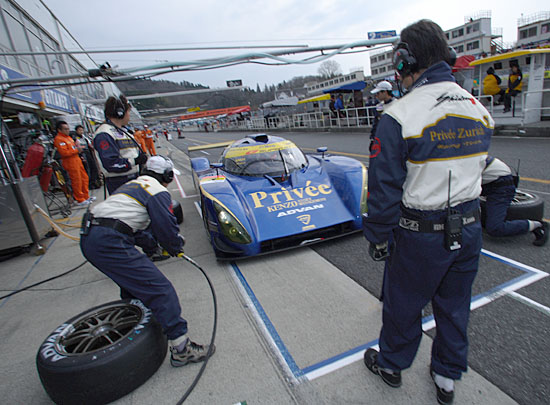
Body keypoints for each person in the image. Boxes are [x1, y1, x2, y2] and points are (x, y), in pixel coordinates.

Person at [362, 20, 493, 405]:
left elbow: (384, 190)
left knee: (403, 305)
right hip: (469, 228)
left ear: (404, 60)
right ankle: (446, 378)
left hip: (419, 235)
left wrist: (378, 237)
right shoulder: (479, 109)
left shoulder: (398, 116)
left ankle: (391, 365)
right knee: (454, 307)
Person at [80, 155, 214, 367]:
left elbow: (131, 227)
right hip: (109, 241)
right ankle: (182, 350)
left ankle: (134, 328)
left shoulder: (131, 186)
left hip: (91, 237)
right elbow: (166, 227)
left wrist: (152, 247)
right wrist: (175, 246)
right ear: (167, 176)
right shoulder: (158, 191)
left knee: (133, 287)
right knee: (161, 291)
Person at [482, 156, 547, 245]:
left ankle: (537, 225)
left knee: (495, 228)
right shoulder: (467, 156)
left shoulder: (468, 161)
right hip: (489, 181)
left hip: (501, 186)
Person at [93, 95, 148, 194]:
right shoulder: (104, 134)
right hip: (119, 182)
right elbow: (110, 163)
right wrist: (135, 161)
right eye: (128, 112)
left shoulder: (123, 131)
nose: (129, 115)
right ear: (120, 113)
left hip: (132, 178)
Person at [53, 121, 94, 206]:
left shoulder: (69, 138)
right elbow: (64, 153)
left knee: (84, 178)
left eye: (68, 129)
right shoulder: (59, 139)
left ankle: (86, 196)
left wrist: (79, 152)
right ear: (59, 130)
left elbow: (74, 148)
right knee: (76, 180)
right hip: (70, 162)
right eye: (65, 129)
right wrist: (76, 150)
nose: (67, 130)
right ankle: (80, 199)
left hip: (77, 160)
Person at [369, 81, 395, 155]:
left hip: (394, 139)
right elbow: (376, 123)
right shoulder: (379, 106)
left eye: (378, 93)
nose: (376, 96)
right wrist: (372, 139)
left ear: (385, 92)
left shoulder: (397, 104)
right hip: (382, 139)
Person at [75, 125, 102, 190]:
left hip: (88, 153)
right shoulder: (75, 139)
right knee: (87, 169)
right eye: (79, 130)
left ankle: (94, 182)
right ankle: (89, 184)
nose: (81, 131)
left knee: (93, 167)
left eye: (82, 130)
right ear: (76, 131)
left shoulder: (85, 137)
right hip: (82, 154)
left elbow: (90, 145)